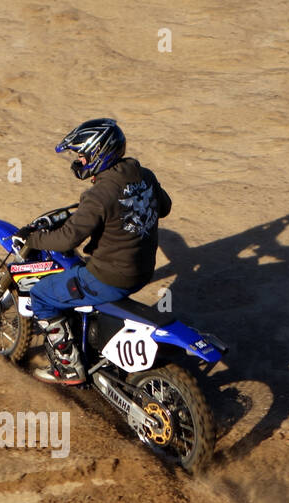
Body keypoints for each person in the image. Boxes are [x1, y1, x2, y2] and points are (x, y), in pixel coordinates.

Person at [15, 118, 172, 385]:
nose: (79, 161)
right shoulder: (144, 175)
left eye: (82, 156)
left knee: (41, 295)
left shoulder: (99, 194)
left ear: (100, 154)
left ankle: (68, 367)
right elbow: (164, 207)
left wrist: (34, 238)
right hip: (143, 268)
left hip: (110, 277)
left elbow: (67, 239)